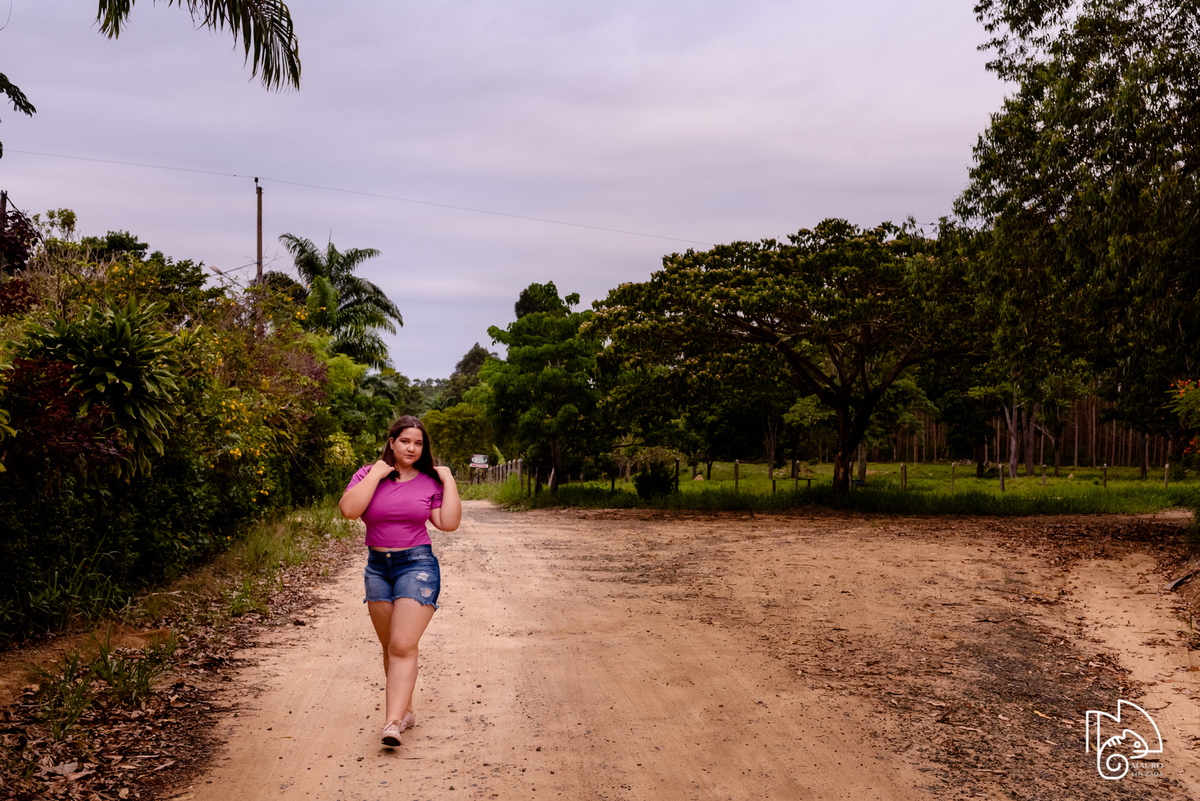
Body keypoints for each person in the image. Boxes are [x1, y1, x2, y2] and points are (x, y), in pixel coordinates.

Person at [339, 415, 462, 747]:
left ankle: (392, 722)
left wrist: (448, 481)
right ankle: (405, 711)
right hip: (378, 567)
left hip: (417, 565)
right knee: (390, 646)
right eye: (406, 441)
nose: (412, 448)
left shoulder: (428, 482)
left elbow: (447, 523)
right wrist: (378, 472)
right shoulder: (369, 474)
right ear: (392, 441)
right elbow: (349, 511)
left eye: (419, 443)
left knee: (402, 645)